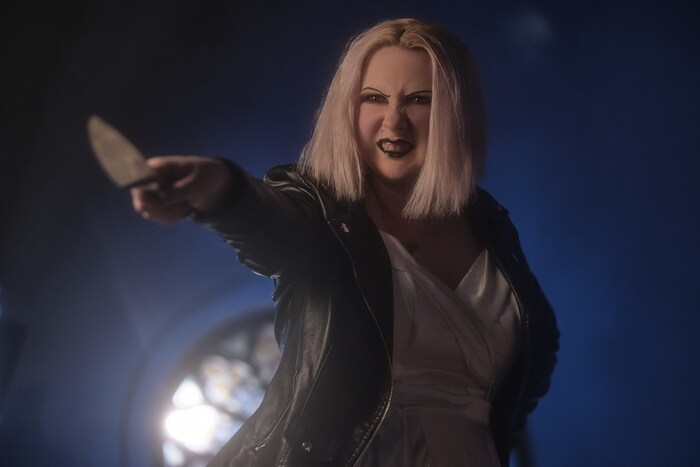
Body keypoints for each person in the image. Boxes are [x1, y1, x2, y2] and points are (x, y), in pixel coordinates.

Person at [131, 18, 558, 467]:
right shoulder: (320, 210)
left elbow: (539, 351)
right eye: (374, 98)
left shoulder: (490, 224)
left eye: (419, 99)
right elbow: (272, 225)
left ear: (457, 113)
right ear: (347, 109)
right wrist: (220, 189)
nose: (393, 120)